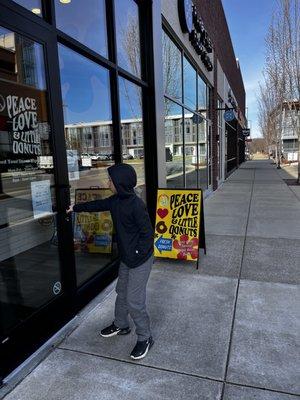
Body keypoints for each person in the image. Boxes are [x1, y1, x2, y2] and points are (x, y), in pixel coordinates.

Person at [67, 163, 154, 360]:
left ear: (120, 183)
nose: (108, 182)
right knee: (121, 292)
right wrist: (76, 208)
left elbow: (148, 234)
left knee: (134, 300)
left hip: (141, 260)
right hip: (126, 258)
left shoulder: (136, 205)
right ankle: (121, 324)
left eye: (110, 180)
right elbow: (97, 205)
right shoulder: (116, 201)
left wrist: (137, 251)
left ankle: (145, 337)